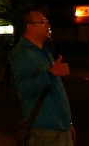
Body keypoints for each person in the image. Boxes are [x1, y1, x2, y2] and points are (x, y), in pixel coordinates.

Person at [8, 9, 75, 146]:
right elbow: (24, 88)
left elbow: (56, 91)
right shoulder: (22, 53)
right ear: (30, 26)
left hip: (60, 127)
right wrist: (51, 73)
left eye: (47, 22)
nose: (48, 25)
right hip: (44, 130)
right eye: (43, 22)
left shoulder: (44, 51)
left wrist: (68, 123)